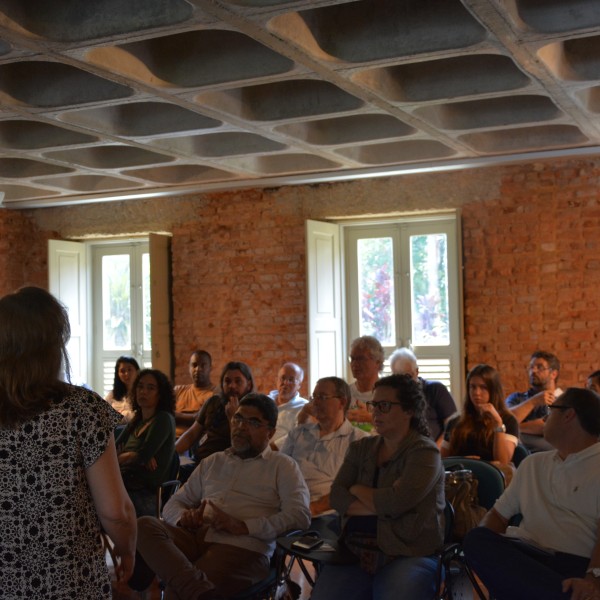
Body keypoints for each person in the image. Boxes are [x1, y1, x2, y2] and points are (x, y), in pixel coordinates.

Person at [0, 286, 136, 599]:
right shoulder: (82, 409)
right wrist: (128, 548)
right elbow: (115, 511)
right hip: (69, 582)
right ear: (52, 346)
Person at [129, 393, 311, 598]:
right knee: (144, 525)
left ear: (270, 432)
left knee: (175, 589)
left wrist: (244, 526)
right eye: (238, 418)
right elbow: (176, 502)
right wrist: (183, 518)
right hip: (196, 537)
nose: (241, 426)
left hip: (243, 547)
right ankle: (200, 591)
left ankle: (189, 589)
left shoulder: (283, 466)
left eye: (253, 422)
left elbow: (300, 516)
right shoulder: (213, 461)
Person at [311, 374, 445, 600]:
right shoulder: (361, 448)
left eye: (384, 405)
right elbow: (336, 497)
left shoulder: (425, 453)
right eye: (374, 404)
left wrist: (356, 489)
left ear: (409, 410)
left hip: (408, 552)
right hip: (355, 550)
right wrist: (384, 502)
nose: (375, 411)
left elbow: (396, 502)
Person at [463, 388, 600, 600]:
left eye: (550, 410)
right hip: (527, 556)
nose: (545, 417)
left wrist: (593, 579)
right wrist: (487, 553)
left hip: (575, 564)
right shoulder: (533, 464)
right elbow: (498, 516)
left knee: (514, 585)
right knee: (476, 539)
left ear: (568, 415)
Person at [281, 376, 367, 519]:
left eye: (322, 397)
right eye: (313, 397)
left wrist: (314, 508)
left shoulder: (359, 441)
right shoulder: (298, 434)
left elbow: (353, 489)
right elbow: (280, 470)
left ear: (342, 401)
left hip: (327, 516)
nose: (315, 403)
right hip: (287, 508)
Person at [176, 361, 254, 482]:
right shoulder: (214, 401)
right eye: (227, 381)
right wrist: (171, 453)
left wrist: (233, 417)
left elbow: (242, 449)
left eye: (238, 381)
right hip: (198, 462)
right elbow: (192, 434)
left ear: (248, 384)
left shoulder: (252, 410)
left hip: (225, 469)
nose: (232, 386)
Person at [116, 368, 176, 517]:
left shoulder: (163, 419)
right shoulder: (136, 420)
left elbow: (142, 457)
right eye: (140, 386)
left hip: (144, 493)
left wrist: (128, 455)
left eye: (150, 388)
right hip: (123, 484)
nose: (143, 391)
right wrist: (133, 456)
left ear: (160, 394)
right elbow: (112, 450)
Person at [442, 364, 519, 466]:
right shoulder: (455, 422)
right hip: (461, 474)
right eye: (472, 387)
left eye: (483, 388)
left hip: (494, 476)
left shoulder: (508, 420)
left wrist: (498, 424)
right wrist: (464, 461)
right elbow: (442, 461)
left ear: (493, 390)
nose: (477, 393)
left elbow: (503, 462)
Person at [389, 347, 457, 446]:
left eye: (408, 376)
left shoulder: (435, 389)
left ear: (416, 371)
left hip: (436, 451)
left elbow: (453, 427)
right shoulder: (393, 396)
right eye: (399, 377)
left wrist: (436, 451)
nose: (404, 382)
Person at [505, 350, 563, 452]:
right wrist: (534, 401)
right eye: (531, 367)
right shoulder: (516, 398)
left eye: (539, 367)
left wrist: (514, 428)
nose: (533, 371)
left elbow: (547, 427)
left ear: (553, 374)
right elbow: (506, 420)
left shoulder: (563, 400)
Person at [173, 350, 216, 437]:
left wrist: (176, 415)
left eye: (203, 365)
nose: (198, 369)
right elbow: (164, 413)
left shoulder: (215, 393)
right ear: (189, 368)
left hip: (194, 444)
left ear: (210, 368)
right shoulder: (178, 390)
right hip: (171, 439)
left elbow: (205, 421)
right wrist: (193, 417)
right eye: (194, 365)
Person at [347, 335, 385, 430]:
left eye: (361, 359)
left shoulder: (389, 395)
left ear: (377, 362)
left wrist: (370, 418)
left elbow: (397, 430)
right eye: (352, 359)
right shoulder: (345, 393)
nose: (355, 364)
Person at [268, 361, 308, 449]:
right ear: (277, 380)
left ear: (299, 385)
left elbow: (298, 435)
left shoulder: (304, 407)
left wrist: (270, 449)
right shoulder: (264, 401)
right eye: (282, 378)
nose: (285, 383)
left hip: (283, 456)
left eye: (291, 380)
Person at [105, 355, 140, 421]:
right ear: (117, 374)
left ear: (137, 371)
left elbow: (140, 416)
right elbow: (103, 413)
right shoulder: (112, 394)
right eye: (122, 371)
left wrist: (119, 416)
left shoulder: (141, 393)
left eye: (129, 370)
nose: (126, 374)